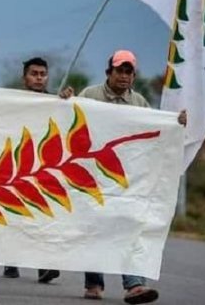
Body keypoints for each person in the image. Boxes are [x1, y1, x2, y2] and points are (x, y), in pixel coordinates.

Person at [76, 50, 186, 304]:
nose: (124, 76)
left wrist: (176, 122)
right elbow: (70, 119)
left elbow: (156, 132)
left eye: (129, 72)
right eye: (120, 71)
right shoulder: (89, 96)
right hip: (92, 176)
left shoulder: (139, 104)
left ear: (133, 76)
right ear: (109, 73)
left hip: (126, 179)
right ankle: (94, 282)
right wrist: (65, 100)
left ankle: (134, 285)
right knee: (95, 229)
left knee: (130, 228)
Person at [1, 57, 67, 284]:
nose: (39, 78)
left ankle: (44, 266)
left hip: (43, 167)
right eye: (34, 73)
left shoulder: (56, 101)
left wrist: (67, 102)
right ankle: (11, 259)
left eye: (42, 74)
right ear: (25, 77)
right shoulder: (13, 101)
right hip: (16, 166)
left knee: (42, 215)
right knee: (16, 214)